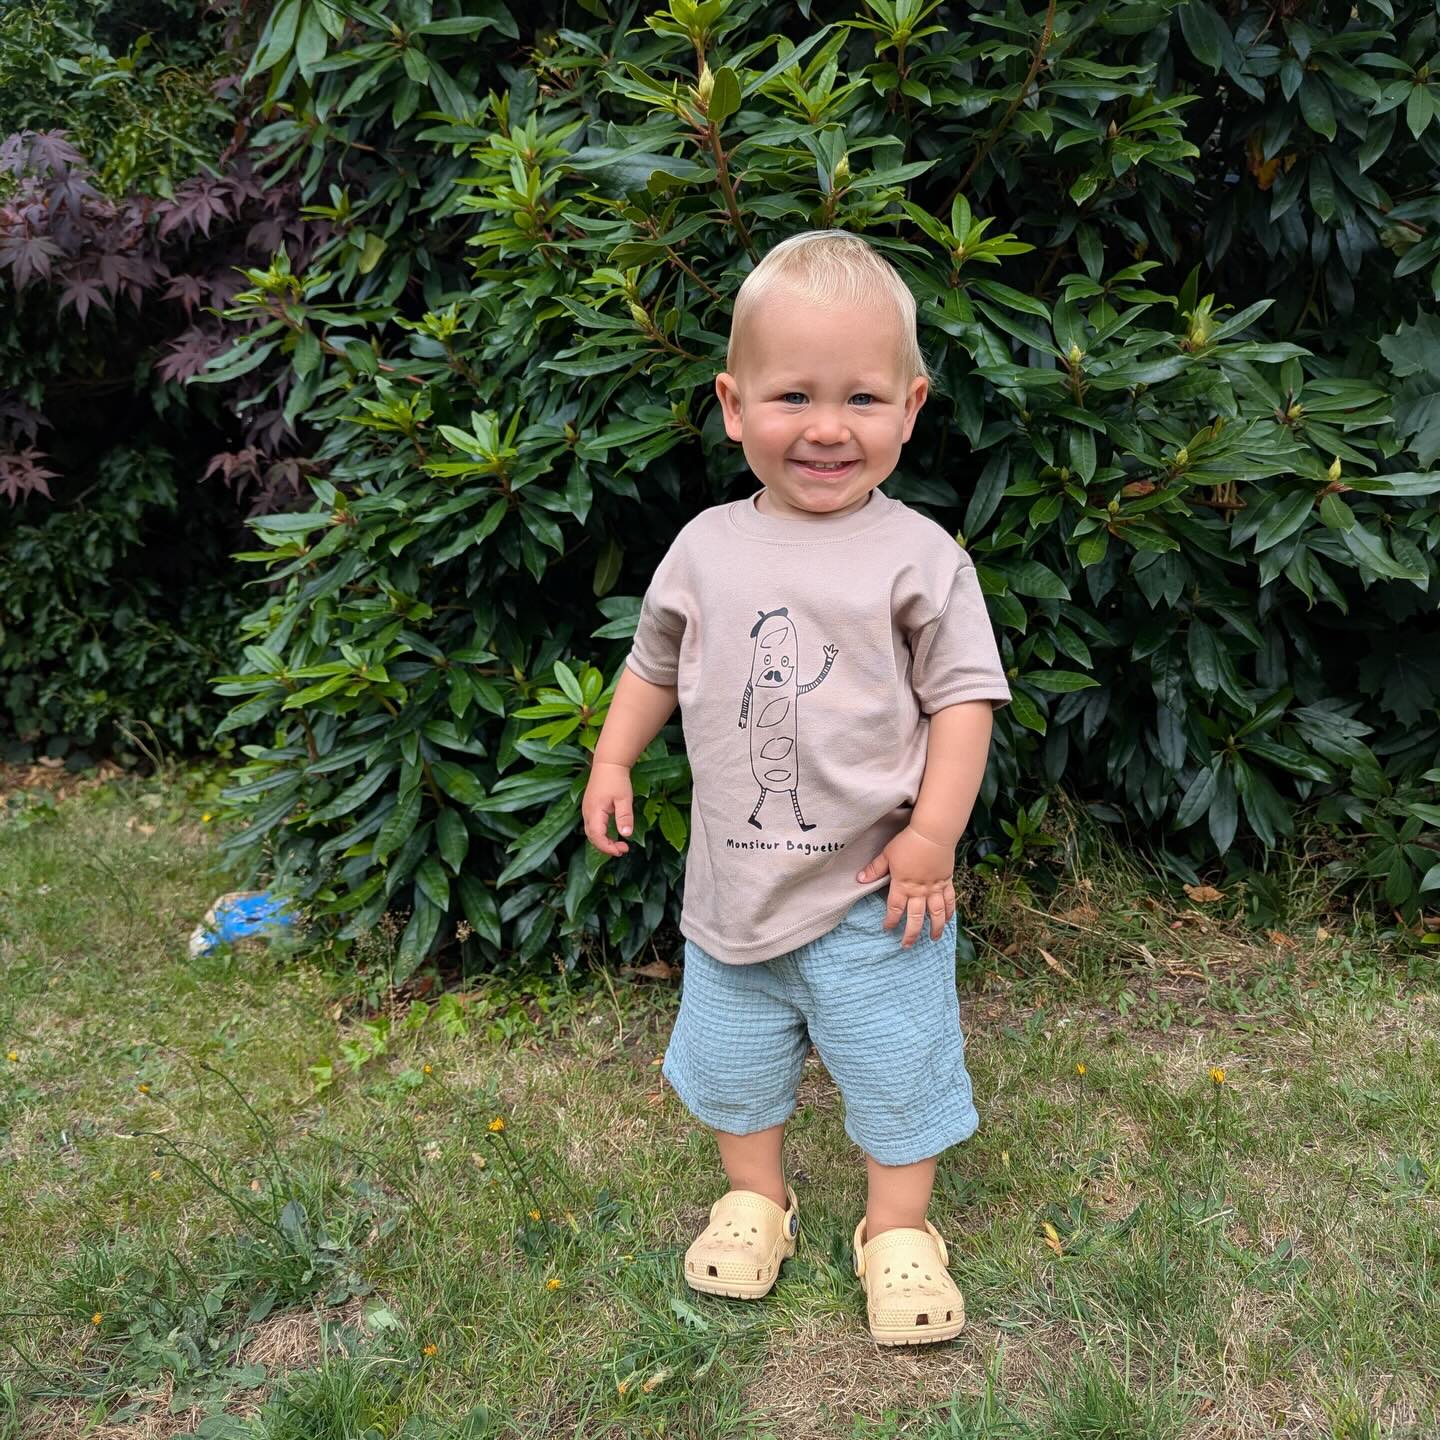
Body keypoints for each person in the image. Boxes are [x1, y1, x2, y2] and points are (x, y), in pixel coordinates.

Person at [581, 230, 1011, 1346]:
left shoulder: (922, 559)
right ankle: (754, 1197)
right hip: (736, 894)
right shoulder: (706, 549)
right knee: (734, 1061)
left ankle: (898, 1228)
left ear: (912, 407)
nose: (828, 427)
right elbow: (655, 666)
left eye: (863, 396)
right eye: (793, 396)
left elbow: (965, 702)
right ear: (733, 405)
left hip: (880, 893)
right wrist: (613, 756)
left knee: (895, 1063)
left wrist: (935, 834)